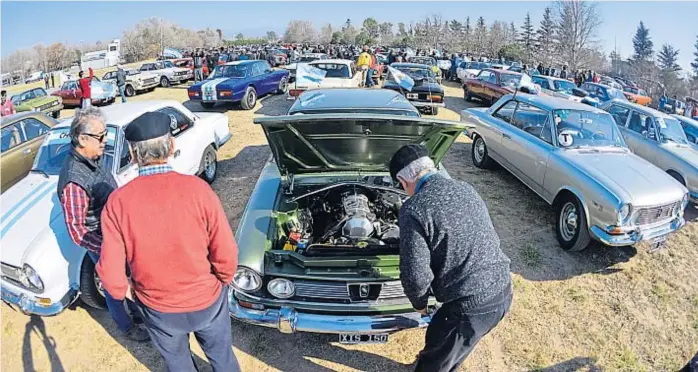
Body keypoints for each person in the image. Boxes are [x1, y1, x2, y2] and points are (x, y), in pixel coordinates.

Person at [96, 111, 240, 371]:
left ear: (133, 151)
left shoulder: (117, 202)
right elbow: (226, 254)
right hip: (206, 299)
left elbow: (111, 277)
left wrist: (129, 292)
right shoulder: (198, 190)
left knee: (178, 365)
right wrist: (221, 280)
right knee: (223, 358)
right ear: (172, 146)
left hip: (158, 307)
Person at [388, 144, 512, 372]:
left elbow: (415, 275)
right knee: (454, 350)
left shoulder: (414, 209)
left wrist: (420, 306)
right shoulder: (465, 187)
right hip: (503, 289)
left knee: (434, 362)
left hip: (470, 307)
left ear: (402, 181)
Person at [57, 107, 149, 342]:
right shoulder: (74, 181)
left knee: (131, 276)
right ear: (82, 139)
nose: (105, 140)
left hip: (117, 235)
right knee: (114, 285)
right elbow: (78, 231)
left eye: (105, 133)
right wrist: (109, 248)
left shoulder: (92, 159)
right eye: (100, 136)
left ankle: (141, 315)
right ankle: (127, 326)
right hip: (104, 244)